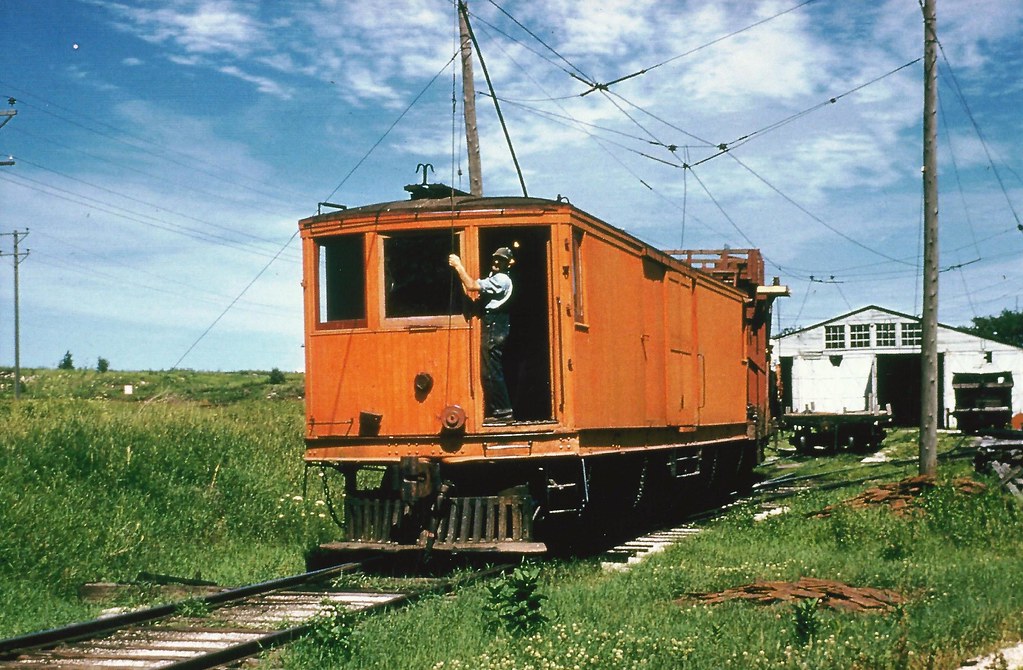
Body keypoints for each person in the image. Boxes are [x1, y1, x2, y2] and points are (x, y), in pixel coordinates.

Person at [448, 247, 515, 422]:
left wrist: (458, 266)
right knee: (490, 369)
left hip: (494, 327)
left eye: (501, 260)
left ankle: (503, 411)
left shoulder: (501, 279)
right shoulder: (494, 278)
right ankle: (500, 411)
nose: (496, 262)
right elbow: (470, 284)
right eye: (496, 258)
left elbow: (471, 285)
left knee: (491, 371)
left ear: (507, 264)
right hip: (494, 325)